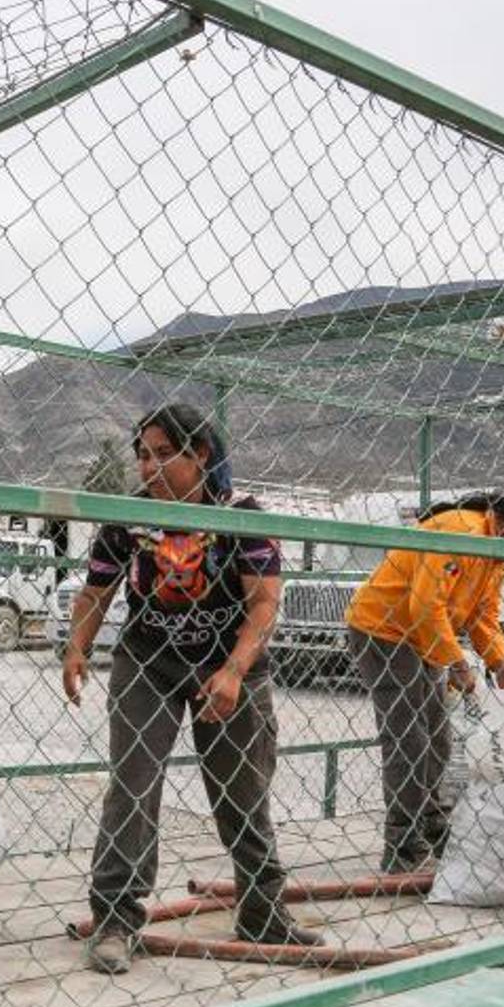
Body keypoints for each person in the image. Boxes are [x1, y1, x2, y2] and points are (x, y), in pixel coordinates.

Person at [62, 404, 320, 976]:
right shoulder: (128, 520)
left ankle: (263, 911)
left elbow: (264, 603)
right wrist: (76, 645)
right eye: (142, 455)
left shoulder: (241, 517)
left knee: (243, 791)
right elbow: (96, 592)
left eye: (162, 454)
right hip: (148, 662)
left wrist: (234, 672)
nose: (148, 467)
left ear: (200, 455)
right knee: (132, 787)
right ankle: (115, 919)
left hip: (229, 663)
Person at [345, 493, 504, 874]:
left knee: (438, 739)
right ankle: (403, 845)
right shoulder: (462, 532)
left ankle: (432, 828)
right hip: (384, 630)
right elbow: (425, 605)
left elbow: (483, 613)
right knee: (409, 741)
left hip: (423, 637)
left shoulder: (497, 551)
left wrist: (500, 665)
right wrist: (456, 662)